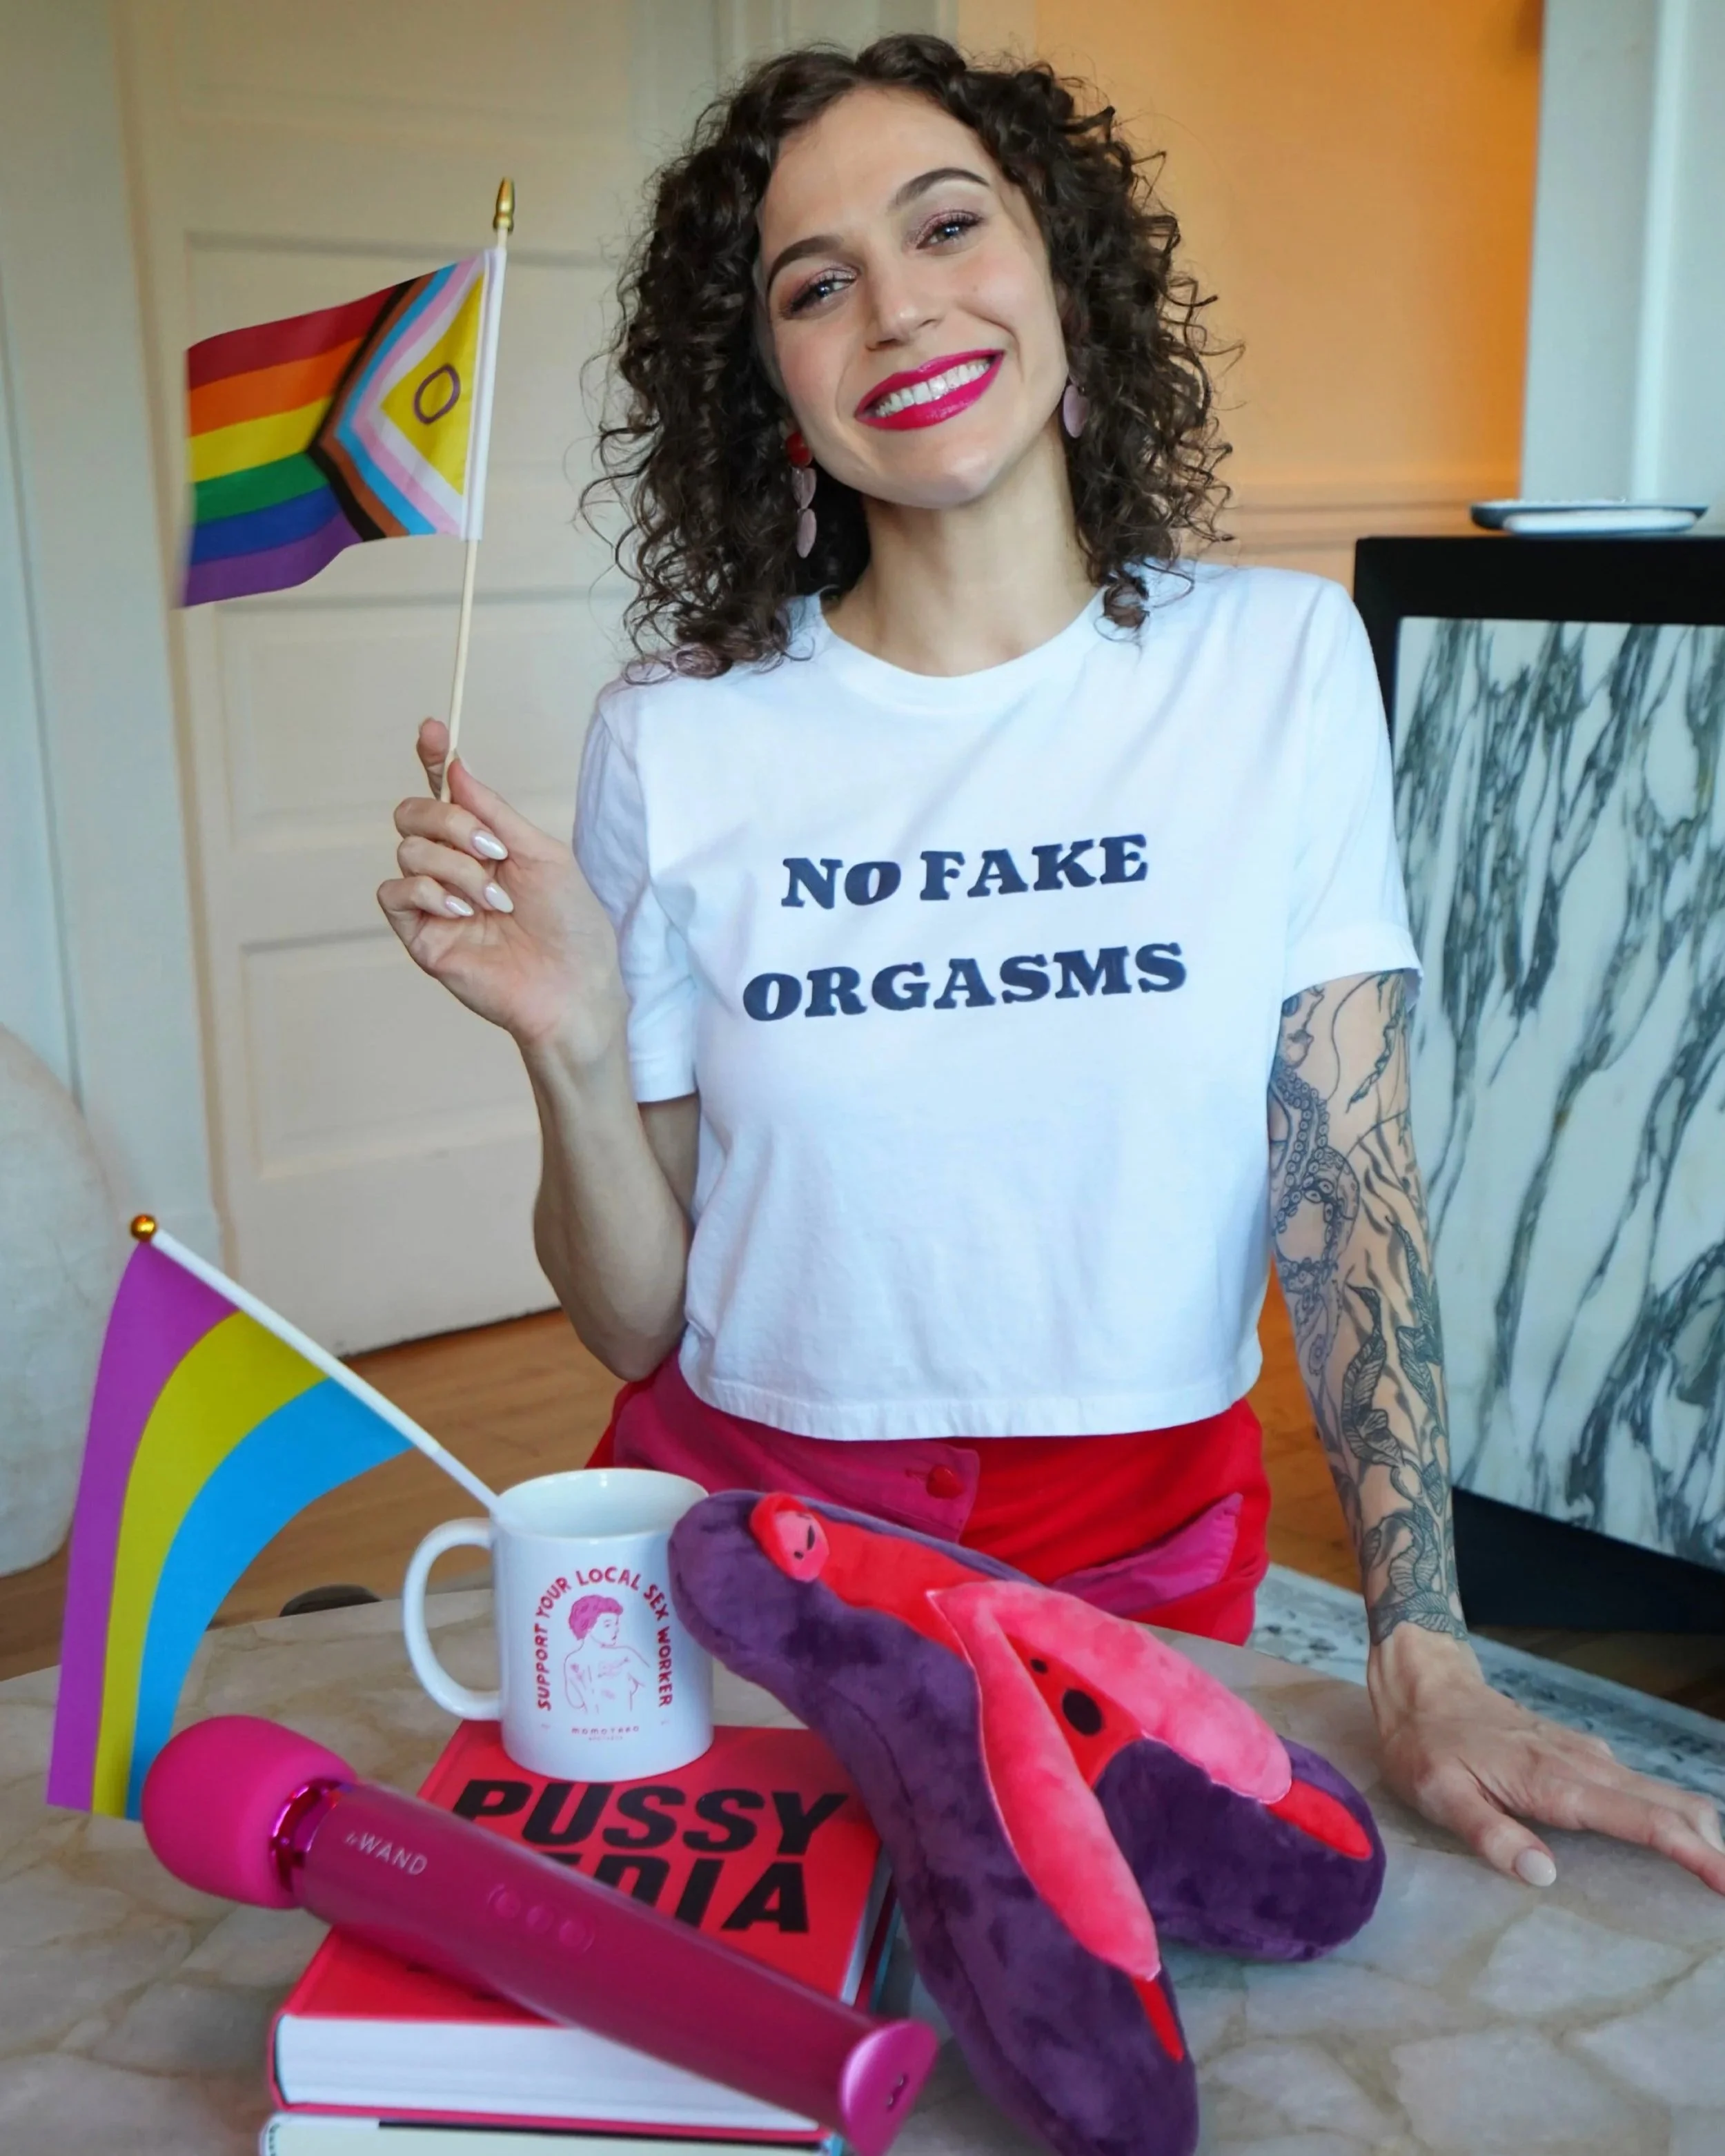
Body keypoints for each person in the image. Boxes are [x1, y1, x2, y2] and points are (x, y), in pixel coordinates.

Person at [379, 35, 1725, 1892]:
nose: (898, 305)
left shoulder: (1274, 665)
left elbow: (1347, 1184)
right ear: (772, 385)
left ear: (1062, 278)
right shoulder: (675, 737)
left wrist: (1419, 1639)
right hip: (750, 1530)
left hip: (1138, 1539)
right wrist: (572, 1045)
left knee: (1156, 1954)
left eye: (947, 225)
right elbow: (631, 1322)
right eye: (813, 282)